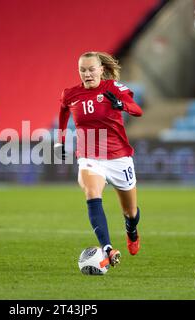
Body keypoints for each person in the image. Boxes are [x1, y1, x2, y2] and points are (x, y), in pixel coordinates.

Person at [55, 52, 143, 267]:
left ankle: (131, 230)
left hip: (119, 157)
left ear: (101, 69)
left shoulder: (114, 88)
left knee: (130, 212)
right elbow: (63, 115)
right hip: (89, 156)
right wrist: (60, 142)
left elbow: (137, 110)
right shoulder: (70, 94)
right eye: (82, 70)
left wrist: (122, 106)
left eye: (91, 69)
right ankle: (107, 248)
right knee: (92, 193)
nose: (87, 74)